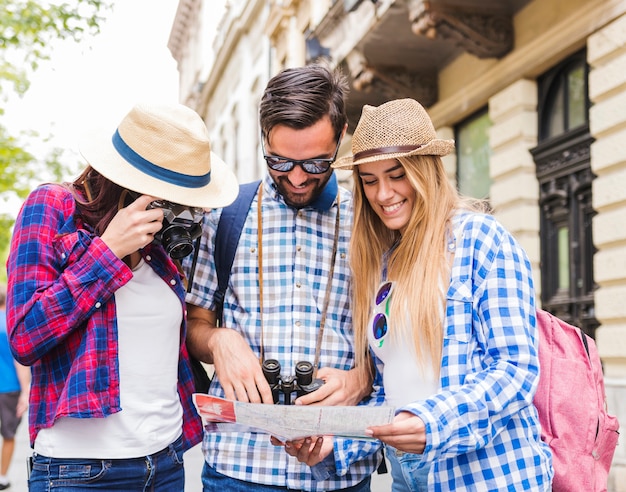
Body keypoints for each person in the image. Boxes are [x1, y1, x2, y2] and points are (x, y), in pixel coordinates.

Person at [286, 98, 554, 491]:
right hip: (405, 476)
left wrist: (432, 423)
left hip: (486, 475)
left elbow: (514, 370)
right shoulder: (380, 263)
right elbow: (390, 392)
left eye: (396, 174)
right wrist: (333, 447)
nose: (383, 194)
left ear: (425, 170)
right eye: (370, 179)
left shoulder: (480, 240)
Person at [5, 102, 239, 491]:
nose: (177, 205)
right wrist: (107, 251)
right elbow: (25, 337)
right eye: (169, 193)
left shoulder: (166, 238)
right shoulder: (52, 207)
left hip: (165, 462)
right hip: (80, 471)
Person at [185, 64, 383, 491]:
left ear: (342, 135)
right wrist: (220, 341)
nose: (296, 177)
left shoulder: (371, 222)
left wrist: (361, 378)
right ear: (263, 140)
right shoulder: (224, 213)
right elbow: (194, 325)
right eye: (280, 161)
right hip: (238, 469)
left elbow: (396, 341)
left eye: (315, 163)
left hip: (340, 467)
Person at [0, 283, 30, 491]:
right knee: (8, 434)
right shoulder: (10, 324)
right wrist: (26, 391)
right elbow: (20, 360)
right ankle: (2, 476)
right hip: (9, 388)